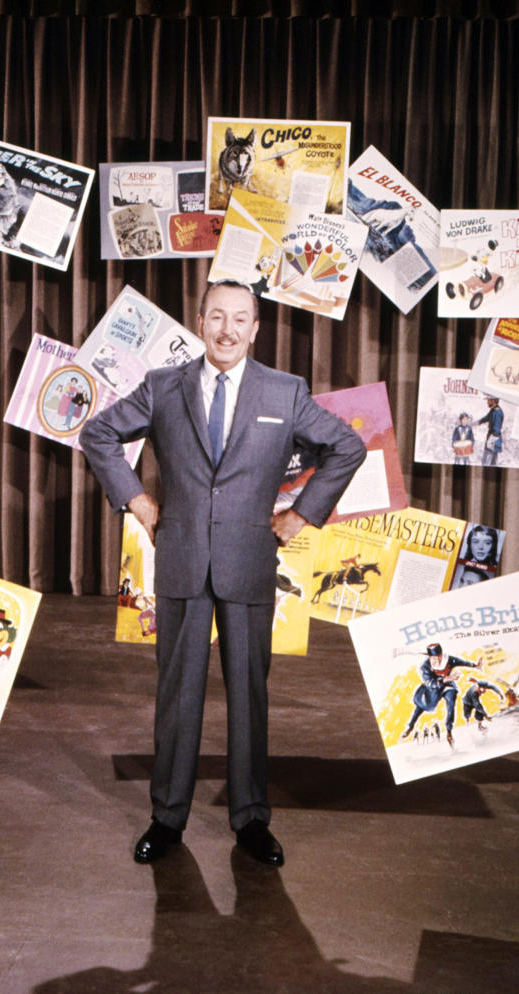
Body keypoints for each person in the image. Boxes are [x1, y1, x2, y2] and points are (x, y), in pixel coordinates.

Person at [79, 279, 366, 867]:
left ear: (255, 329)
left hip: (249, 562)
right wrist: (136, 500)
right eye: (216, 317)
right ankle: (167, 818)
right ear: (200, 322)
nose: (227, 330)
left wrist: (301, 515)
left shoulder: (285, 392)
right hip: (182, 560)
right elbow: (98, 432)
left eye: (240, 319)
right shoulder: (164, 387)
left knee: (248, 697)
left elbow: (347, 448)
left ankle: (251, 821)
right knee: (177, 698)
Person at [400, 643, 481, 747]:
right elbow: (430, 683)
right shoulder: (424, 667)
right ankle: (410, 727)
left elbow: (462, 662)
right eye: (434, 658)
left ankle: (449, 732)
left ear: (442, 654)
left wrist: (475, 665)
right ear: (429, 657)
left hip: (447, 686)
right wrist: (447, 678)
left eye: (439, 657)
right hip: (432, 690)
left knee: (451, 704)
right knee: (421, 706)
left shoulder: (449, 659)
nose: (438, 661)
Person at [476, 396, 504, 466]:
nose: (487, 402)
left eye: (488, 400)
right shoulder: (493, 410)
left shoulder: (497, 412)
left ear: (493, 401)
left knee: (487, 462)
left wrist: (491, 442)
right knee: (492, 462)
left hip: (493, 439)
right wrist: (476, 423)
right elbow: (486, 418)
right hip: (493, 439)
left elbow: (496, 429)